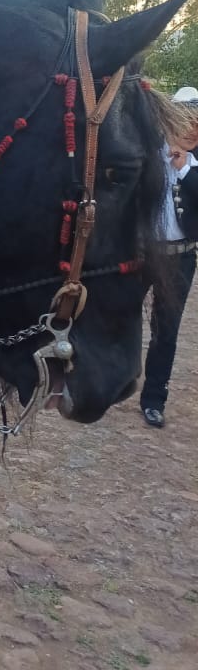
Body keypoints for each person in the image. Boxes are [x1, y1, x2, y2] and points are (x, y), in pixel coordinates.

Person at [140, 85, 198, 427]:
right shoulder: (149, 151)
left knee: (166, 330)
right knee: (120, 313)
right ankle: (117, 377)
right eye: (186, 120)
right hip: (142, 252)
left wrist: (186, 169)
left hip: (180, 258)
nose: (192, 128)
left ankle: (153, 398)